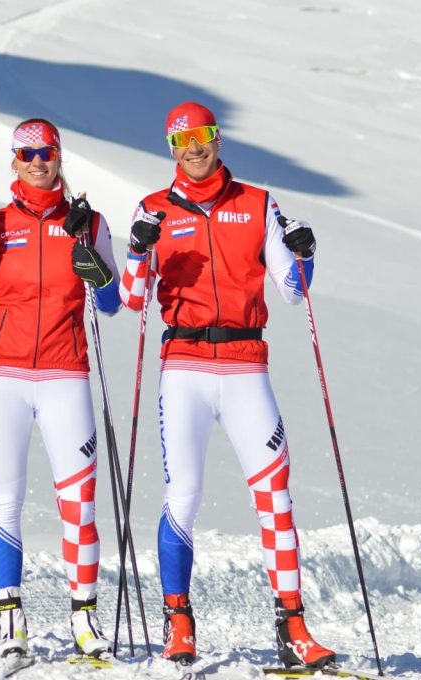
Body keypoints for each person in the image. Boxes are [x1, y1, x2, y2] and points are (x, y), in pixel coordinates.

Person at [119, 102, 336, 669]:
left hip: (245, 366)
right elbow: (132, 299)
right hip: (184, 367)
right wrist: (139, 249)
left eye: (203, 135)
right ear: (171, 147)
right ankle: (178, 623)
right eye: (182, 139)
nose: (194, 147)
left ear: (218, 139)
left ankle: (293, 628)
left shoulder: (258, 204)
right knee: (183, 496)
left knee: (275, 496)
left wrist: (305, 254)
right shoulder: (153, 209)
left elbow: (292, 290)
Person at [0, 118, 121, 660]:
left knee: (79, 503)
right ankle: (11, 622)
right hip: (1, 376)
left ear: (58, 157)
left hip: (65, 375)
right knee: (5, 501)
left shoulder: (89, 224)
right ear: (13, 160)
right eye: (26, 153)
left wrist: (94, 265)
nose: (37, 161)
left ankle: (85, 619)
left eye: (46, 152)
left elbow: (111, 303)